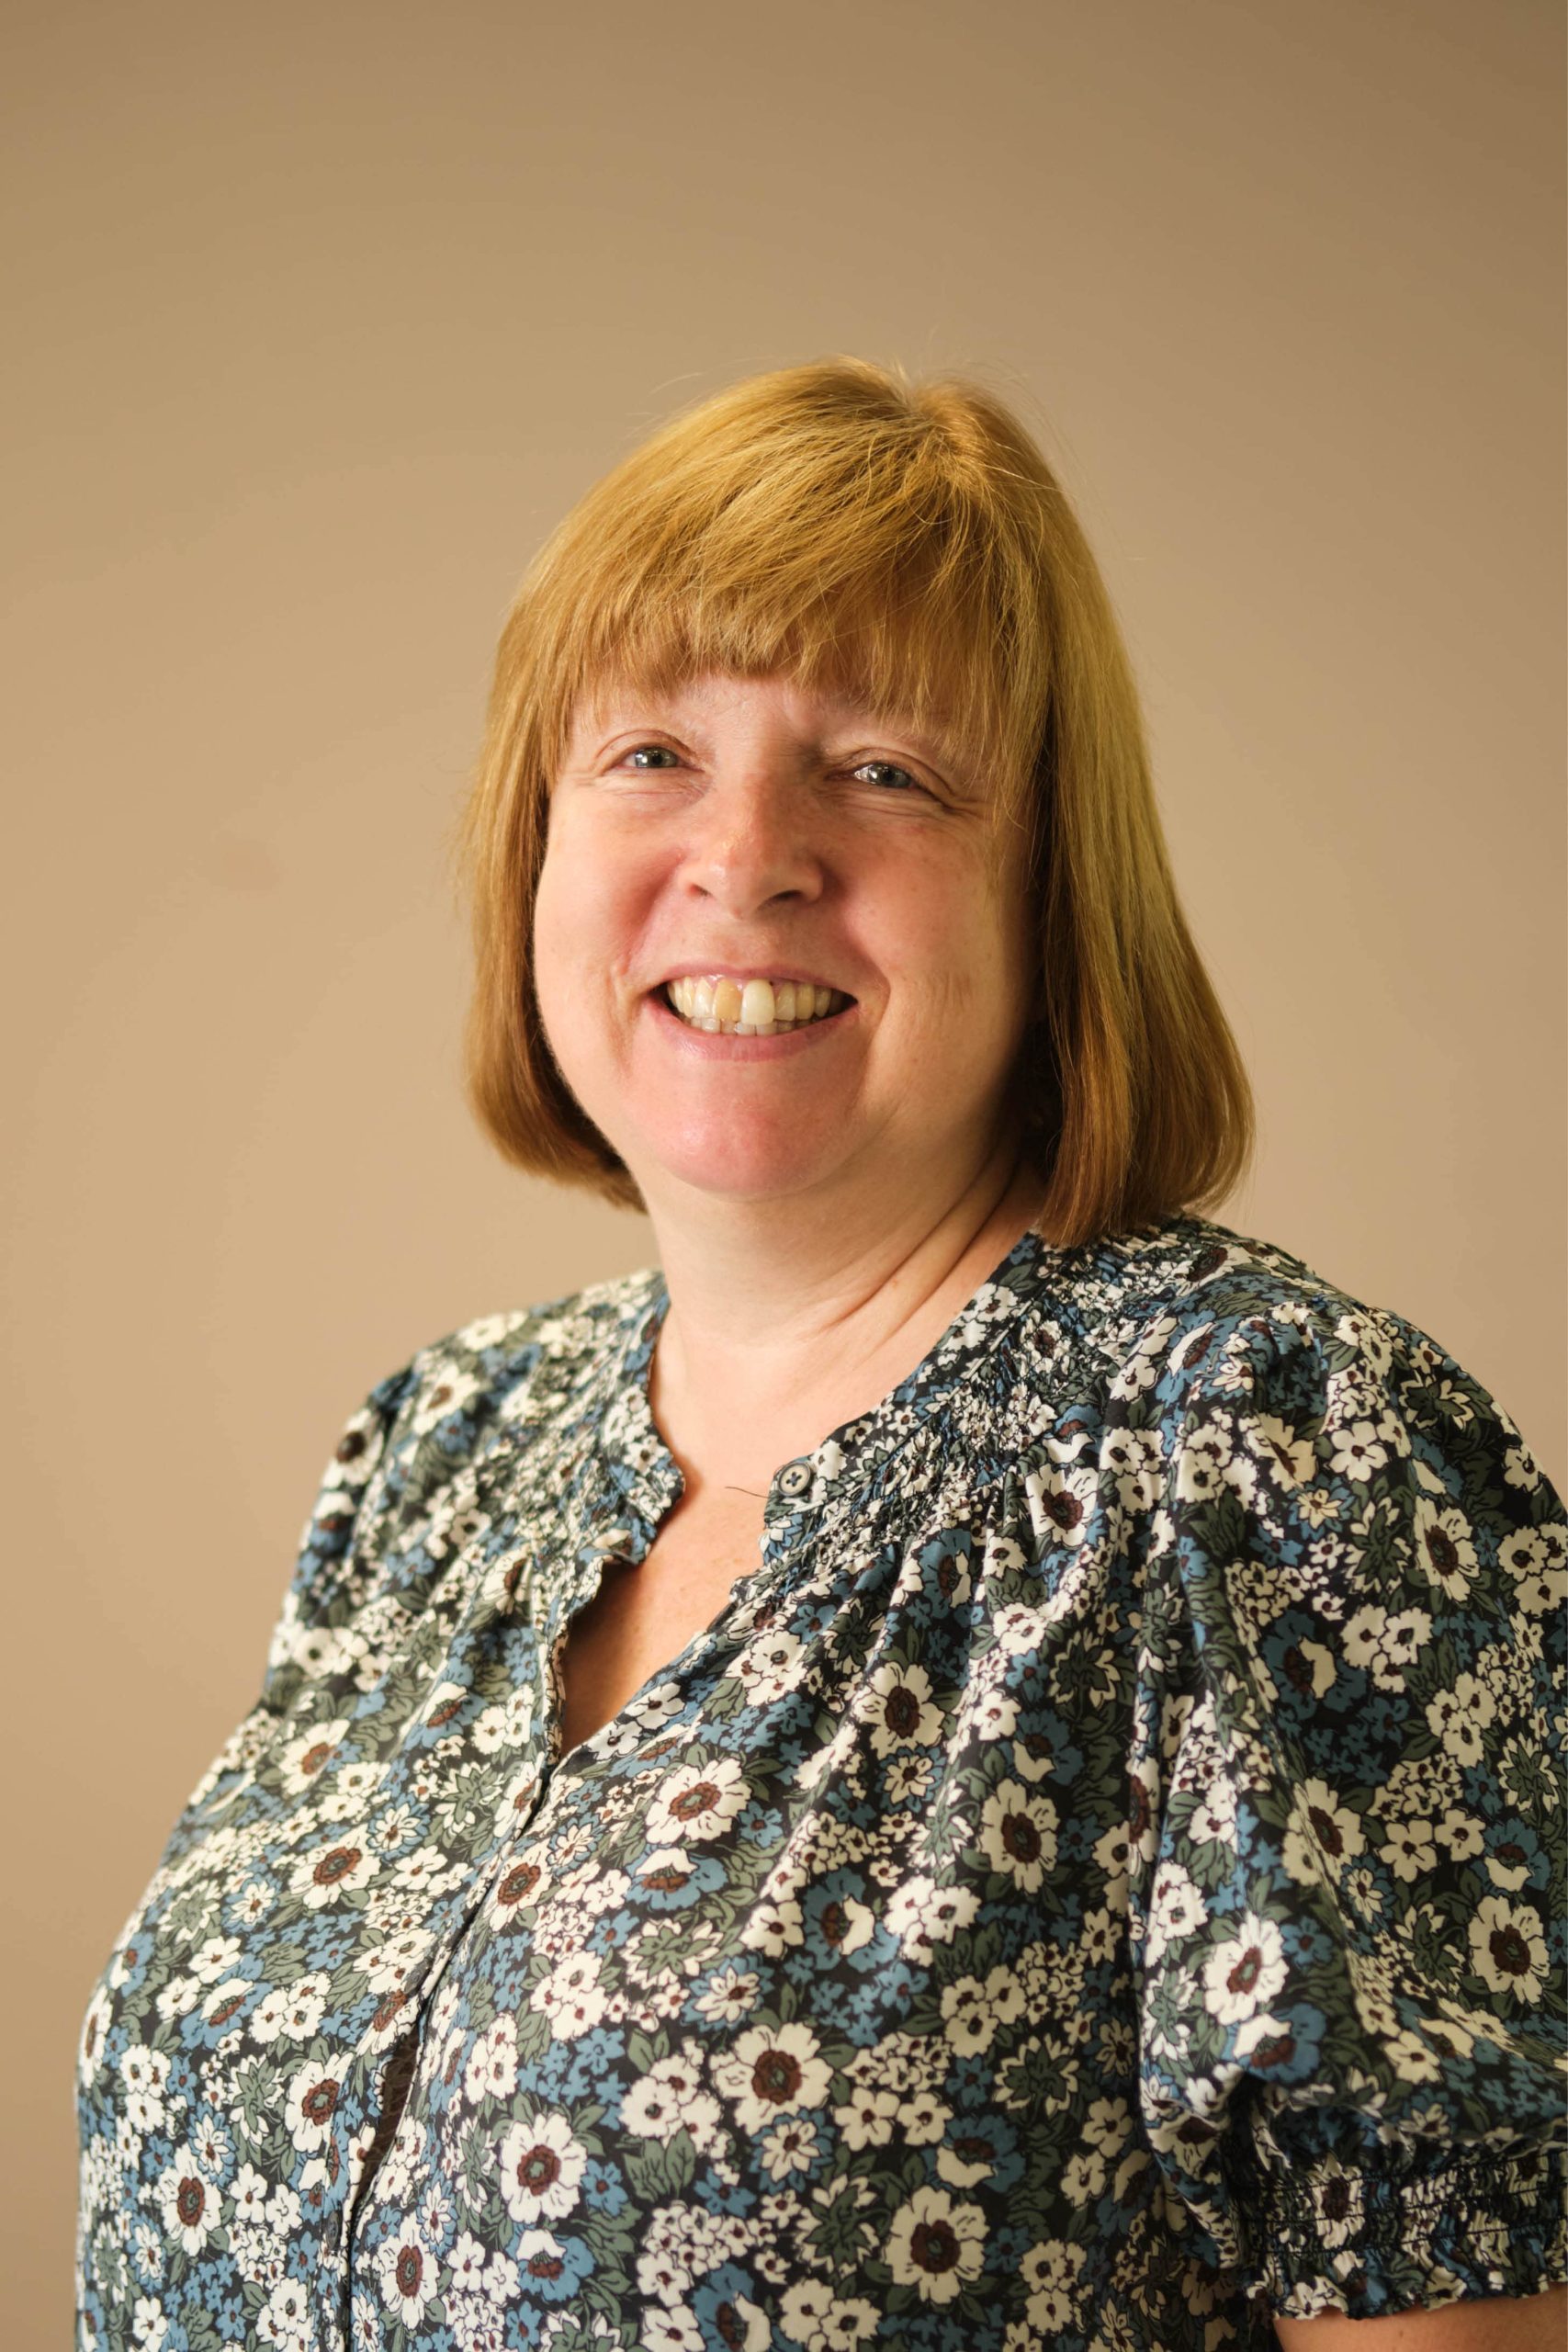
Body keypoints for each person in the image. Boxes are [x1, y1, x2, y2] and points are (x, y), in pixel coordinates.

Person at [76, 358, 1565, 2352]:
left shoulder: (1272, 1455)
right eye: (649, 756)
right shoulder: (440, 1446)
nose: (747, 851)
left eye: (881, 768)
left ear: (1049, 885)